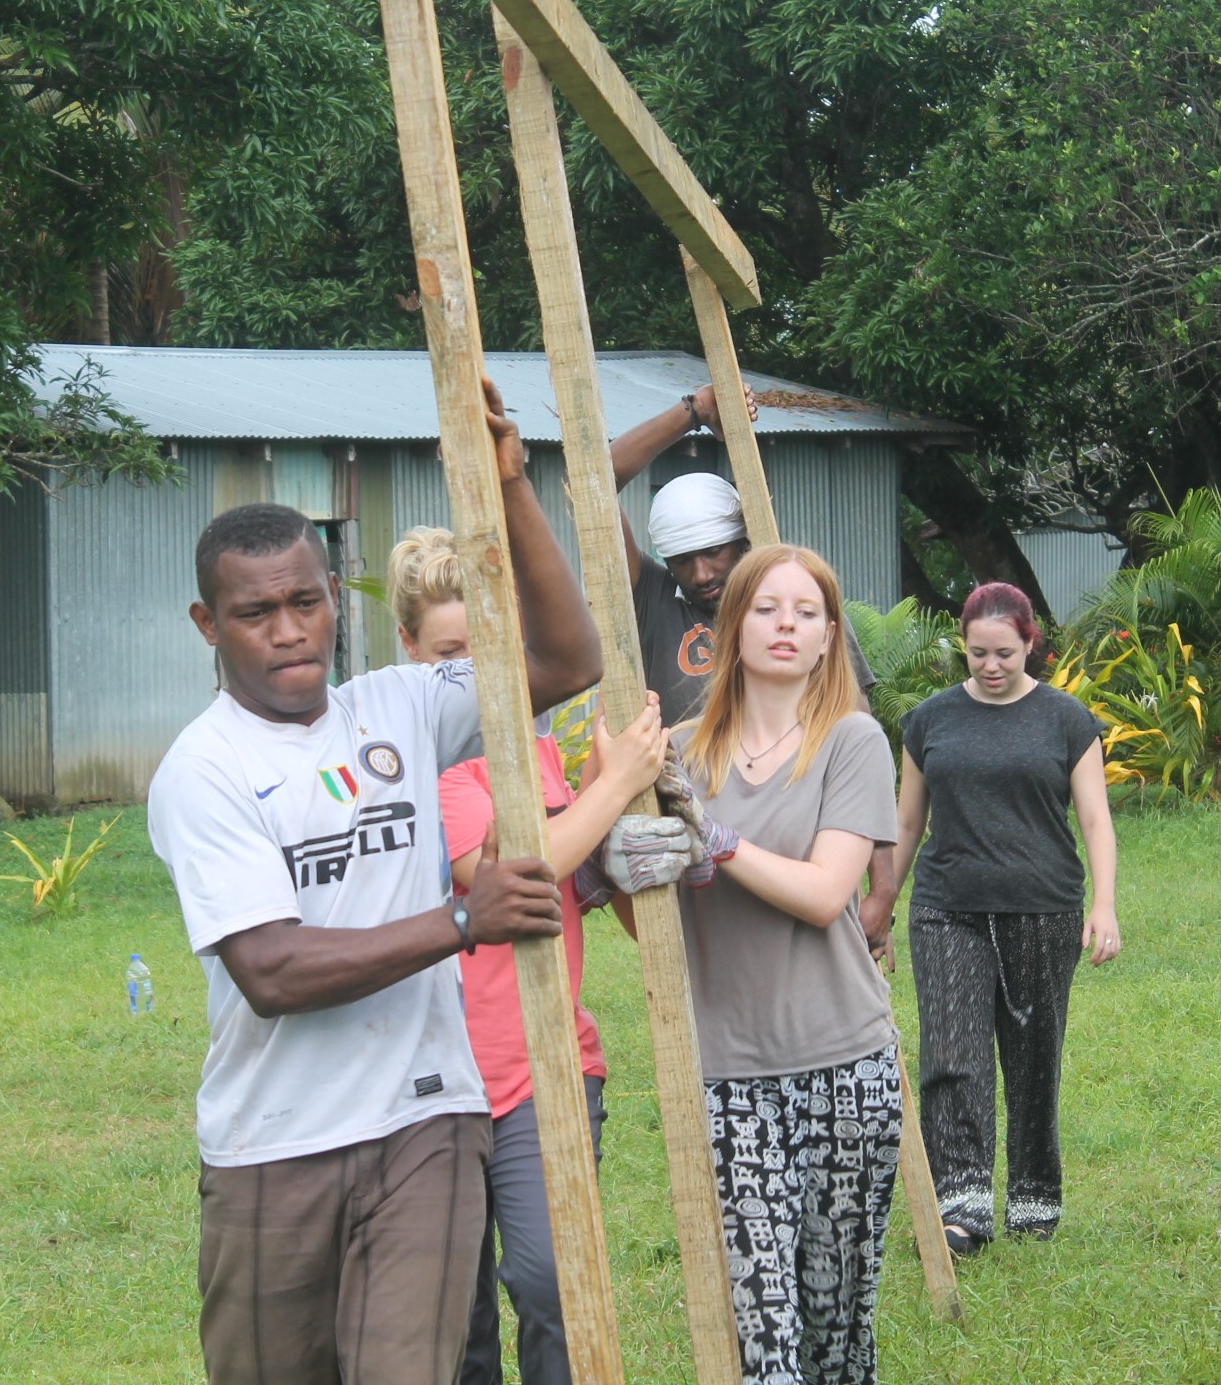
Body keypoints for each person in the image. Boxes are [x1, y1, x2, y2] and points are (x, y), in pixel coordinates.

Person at [148, 381, 603, 1385]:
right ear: (206, 623)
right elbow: (271, 970)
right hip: (273, 1146)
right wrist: (458, 919)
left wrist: (513, 490)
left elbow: (566, 659)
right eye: (254, 612)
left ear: (330, 594)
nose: (287, 630)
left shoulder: (399, 705)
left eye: (304, 602)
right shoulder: (204, 769)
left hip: (426, 1122)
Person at [387, 526, 672, 1385]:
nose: (474, 674)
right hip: (431, 1082)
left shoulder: (545, 756)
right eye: (449, 653)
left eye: (489, 648)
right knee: (457, 1311)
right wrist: (614, 786)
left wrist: (637, 839)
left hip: (546, 1066)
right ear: (408, 650)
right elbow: (509, 874)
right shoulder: (418, 767)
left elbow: (611, 906)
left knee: (554, 1280)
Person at [626, 544, 902, 1385]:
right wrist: (632, 871)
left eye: (807, 611)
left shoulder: (853, 742)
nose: (786, 624)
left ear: (828, 639)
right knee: (765, 1333)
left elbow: (826, 894)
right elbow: (666, 928)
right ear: (728, 625)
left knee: (835, 1334)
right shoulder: (676, 757)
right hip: (730, 1076)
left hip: (846, 1069)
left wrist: (719, 840)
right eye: (768, 607)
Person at [609, 385, 896, 958]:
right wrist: (693, 412)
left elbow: (856, 739)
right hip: (700, 857)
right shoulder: (654, 601)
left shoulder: (797, 613)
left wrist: (883, 885)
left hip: (802, 838)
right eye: (684, 559)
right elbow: (595, 483)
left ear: (743, 540)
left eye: (715, 551)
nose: (702, 571)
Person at [890, 582, 1121, 1255]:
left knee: (1032, 1056)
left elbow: (1095, 818)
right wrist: (879, 907)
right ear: (962, 647)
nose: (991, 666)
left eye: (1005, 654)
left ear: (1030, 645)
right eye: (977, 654)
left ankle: (1034, 1197)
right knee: (952, 1055)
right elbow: (907, 822)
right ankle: (962, 1203)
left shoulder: (1067, 719)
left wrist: (1103, 903)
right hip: (945, 907)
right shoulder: (929, 721)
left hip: (1043, 907)